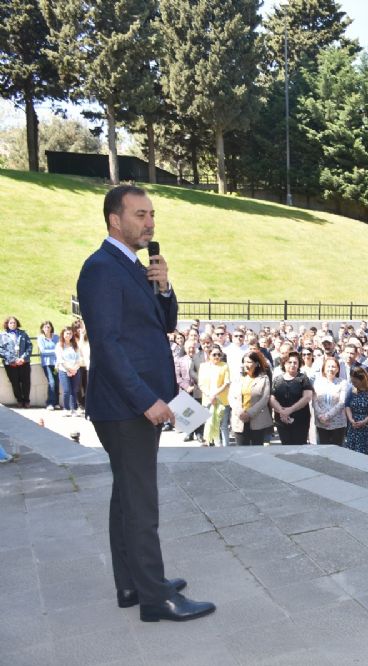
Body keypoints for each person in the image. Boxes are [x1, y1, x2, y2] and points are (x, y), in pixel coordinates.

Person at [76, 185, 214, 622]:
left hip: (135, 403)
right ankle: (157, 598)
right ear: (115, 219)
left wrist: (165, 286)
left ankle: (132, 583)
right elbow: (107, 345)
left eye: (152, 214)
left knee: (127, 498)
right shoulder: (101, 268)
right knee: (141, 503)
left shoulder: (133, 266)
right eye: (140, 214)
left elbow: (164, 324)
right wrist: (145, 400)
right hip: (126, 407)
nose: (150, 222)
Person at [269, 351, 313, 445]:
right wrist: (282, 411)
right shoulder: (277, 379)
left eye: (295, 362)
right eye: (289, 362)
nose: (292, 365)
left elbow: (307, 397)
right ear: (284, 363)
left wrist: (290, 410)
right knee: (286, 445)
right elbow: (272, 398)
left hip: (300, 419)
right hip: (281, 418)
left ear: (298, 364)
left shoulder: (303, 378)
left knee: (299, 446)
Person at [231, 350, 273, 446]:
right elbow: (231, 397)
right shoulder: (237, 378)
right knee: (241, 451)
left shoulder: (264, 378)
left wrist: (249, 413)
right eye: (244, 362)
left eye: (249, 362)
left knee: (256, 450)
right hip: (239, 419)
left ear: (257, 364)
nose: (246, 365)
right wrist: (240, 412)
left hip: (257, 419)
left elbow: (264, 399)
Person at [197, 345, 230, 446]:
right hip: (208, 400)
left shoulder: (224, 365)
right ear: (209, 355)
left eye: (219, 354)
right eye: (214, 354)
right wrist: (209, 395)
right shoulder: (203, 366)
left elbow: (226, 383)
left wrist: (214, 394)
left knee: (223, 426)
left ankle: (226, 448)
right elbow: (201, 384)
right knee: (210, 424)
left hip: (222, 400)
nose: (216, 356)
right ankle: (214, 446)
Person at [312, 357, 348, 445]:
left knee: (337, 452)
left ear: (338, 369)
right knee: (322, 451)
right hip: (321, 422)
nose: (330, 369)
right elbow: (314, 400)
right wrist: (321, 416)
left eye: (333, 366)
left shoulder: (343, 383)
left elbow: (341, 402)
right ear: (324, 368)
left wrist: (327, 416)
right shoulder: (317, 382)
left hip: (337, 423)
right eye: (328, 366)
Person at [1, 316, 32, 407]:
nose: (13, 324)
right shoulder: (2, 336)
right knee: (15, 382)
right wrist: (13, 359)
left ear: (17, 323)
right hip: (10, 364)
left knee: (26, 382)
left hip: (24, 362)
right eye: (11, 323)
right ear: (7, 324)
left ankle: (26, 400)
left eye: (14, 322)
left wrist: (23, 358)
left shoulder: (23, 334)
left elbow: (29, 346)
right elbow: (1, 350)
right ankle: (19, 400)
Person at [345, 366, 368, 456]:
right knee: (351, 453)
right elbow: (347, 405)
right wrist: (351, 419)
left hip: (367, 426)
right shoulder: (352, 390)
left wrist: (364, 421)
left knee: (364, 453)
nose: (353, 383)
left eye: (355, 381)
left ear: (362, 379)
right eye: (352, 381)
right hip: (353, 425)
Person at [55, 326, 85, 416]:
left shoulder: (75, 345)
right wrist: (69, 369)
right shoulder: (59, 345)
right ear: (63, 334)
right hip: (64, 370)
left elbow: (79, 358)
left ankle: (74, 409)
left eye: (70, 333)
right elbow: (60, 360)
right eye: (67, 333)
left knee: (74, 390)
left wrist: (75, 369)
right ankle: (66, 409)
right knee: (67, 390)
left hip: (75, 370)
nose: (69, 335)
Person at [38, 321, 59, 410]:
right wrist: (55, 351)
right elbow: (43, 351)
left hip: (56, 364)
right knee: (52, 382)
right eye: (45, 327)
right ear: (42, 328)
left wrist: (55, 352)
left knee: (56, 382)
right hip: (47, 364)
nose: (47, 329)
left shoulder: (56, 337)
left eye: (49, 327)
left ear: (51, 328)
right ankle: (50, 403)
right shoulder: (40, 338)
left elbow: (60, 348)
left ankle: (56, 402)